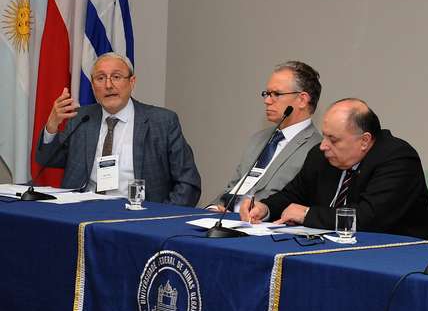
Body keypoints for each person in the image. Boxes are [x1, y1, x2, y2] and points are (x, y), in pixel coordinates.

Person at [247, 98, 428, 242]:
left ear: (364, 141)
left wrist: (307, 215)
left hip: (398, 255)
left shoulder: (397, 158)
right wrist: (266, 208)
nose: (323, 146)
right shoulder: (321, 155)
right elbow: (294, 193)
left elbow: (368, 219)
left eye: (334, 139)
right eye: (324, 136)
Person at [36, 52, 201, 206]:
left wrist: (161, 219)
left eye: (116, 77)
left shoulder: (162, 122)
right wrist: (52, 125)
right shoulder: (81, 118)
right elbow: (47, 160)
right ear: (93, 86)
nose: (108, 85)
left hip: (137, 216)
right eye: (100, 78)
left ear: (132, 82)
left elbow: (188, 183)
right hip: (83, 213)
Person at [207, 61, 322, 219]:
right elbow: (233, 186)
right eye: (266, 94)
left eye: (276, 94)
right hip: (226, 219)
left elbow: (296, 201)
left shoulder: (318, 148)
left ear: (302, 100)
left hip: (262, 225)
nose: (267, 101)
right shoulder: (258, 139)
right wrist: (214, 208)